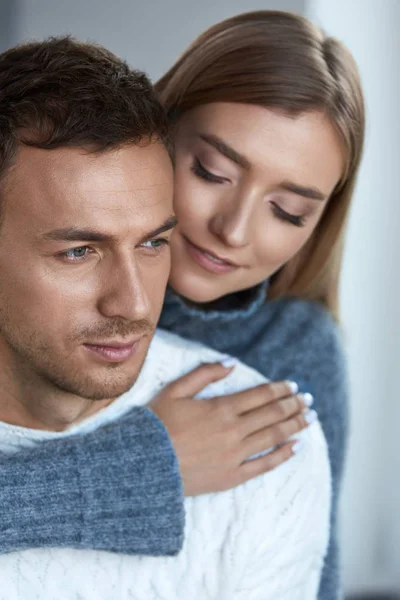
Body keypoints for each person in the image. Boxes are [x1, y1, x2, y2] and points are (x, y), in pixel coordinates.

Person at [0, 9, 365, 599]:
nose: (235, 230)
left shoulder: (291, 349)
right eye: (212, 172)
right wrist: (136, 471)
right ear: (156, 132)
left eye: (288, 211)